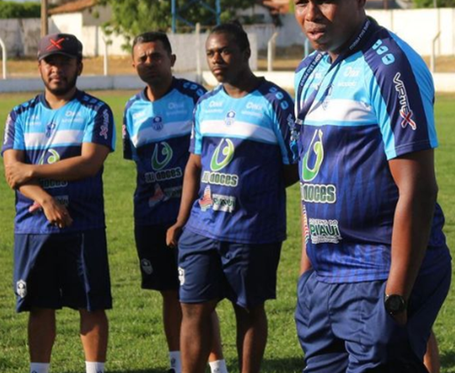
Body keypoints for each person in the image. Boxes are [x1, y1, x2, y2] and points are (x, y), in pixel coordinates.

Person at [291, 0, 452, 372]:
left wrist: (396, 293)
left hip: (377, 273)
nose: (312, 13)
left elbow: (417, 188)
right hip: (324, 277)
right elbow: (312, 178)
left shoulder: (389, 66)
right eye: (301, 2)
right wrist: (307, 272)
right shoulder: (307, 71)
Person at [166, 21, 298, 373]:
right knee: (193, 307)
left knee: (248, 309)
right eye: (210, 53)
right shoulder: (205, 103)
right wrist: (182, 219)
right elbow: (194, 165)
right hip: (202, 227)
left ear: (245, 53)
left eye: (224, 51)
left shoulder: (275, 102)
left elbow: (293, 167)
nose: (216, 59)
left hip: (253, 231)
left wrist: (254, 190)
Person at [1, 33, 114, 373]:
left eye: (65, 62)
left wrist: (32, 170)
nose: (57, 69)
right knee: (39, 306)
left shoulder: (96, 110)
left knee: (90, 304)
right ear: (39, 67)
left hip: (84, 222)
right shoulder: (19, 114)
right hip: (33, 226)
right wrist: (46, 199)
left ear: (79, 65)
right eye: (50, 62)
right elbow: (12, 174)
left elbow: (89, 163)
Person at [122, 31, 227, 373]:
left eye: (156, 56)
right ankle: (177, 363)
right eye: (142, 58)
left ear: (171, 59)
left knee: (198, 297)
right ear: (134, 63)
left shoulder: (196, 97)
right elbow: (136, 161)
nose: (149, 63)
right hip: (150, 216)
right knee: (169, 293)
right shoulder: (132, 109)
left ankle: (217, 366)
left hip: (195, 216)